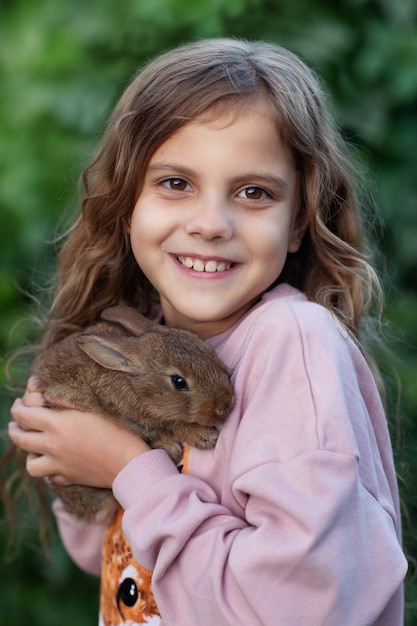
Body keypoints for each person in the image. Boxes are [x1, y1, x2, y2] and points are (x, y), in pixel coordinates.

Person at [8, 38, 407, 625]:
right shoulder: (144, 338)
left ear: (298, 221)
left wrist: (128, 469)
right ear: (126, 203)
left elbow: (303, 607)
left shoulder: (291, 342)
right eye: (175, 183)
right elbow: (111, 557)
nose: (210, 224)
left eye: (253, 193)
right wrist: (73, 454)